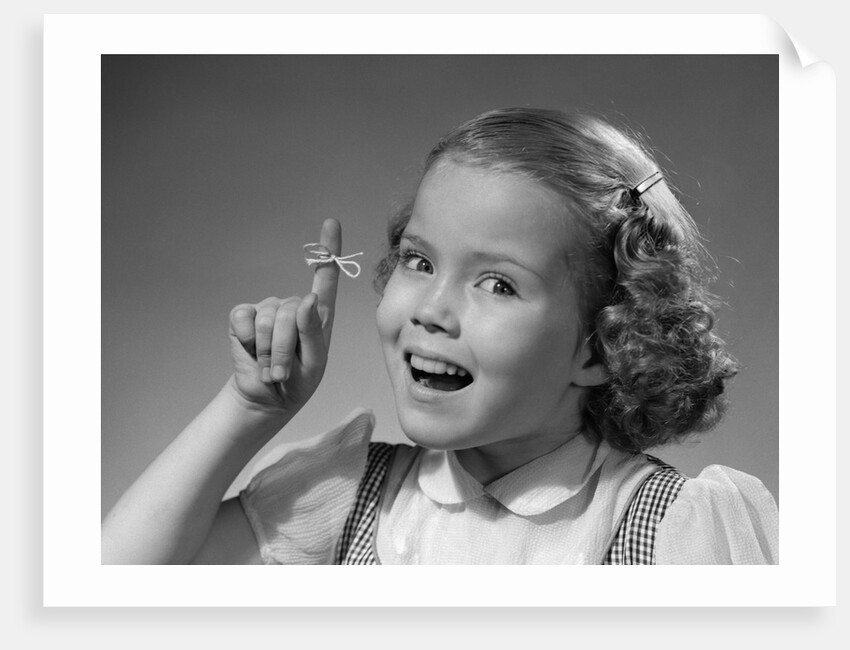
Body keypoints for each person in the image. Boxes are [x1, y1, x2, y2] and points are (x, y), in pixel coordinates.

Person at [101, 107, 778, 565]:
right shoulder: (346, 497)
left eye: (498, 284)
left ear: (605, 345)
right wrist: (248, 411)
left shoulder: (670, 533)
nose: (431, 308)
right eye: (420, 262)